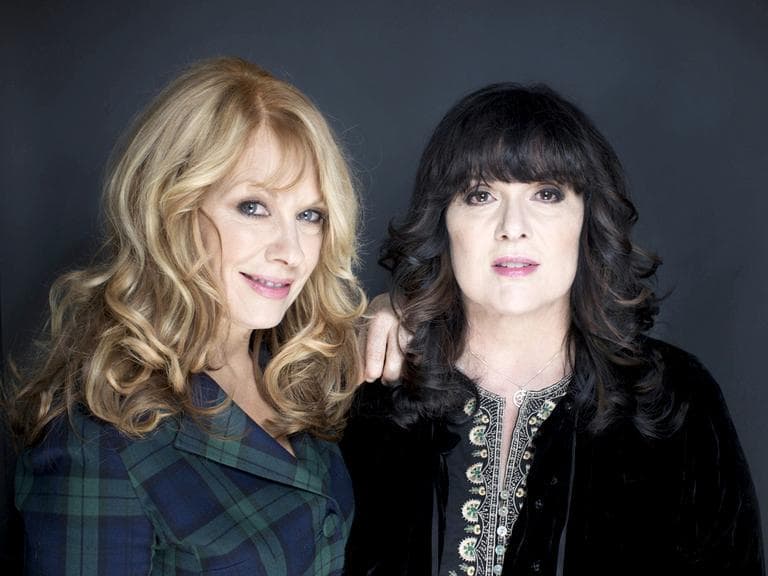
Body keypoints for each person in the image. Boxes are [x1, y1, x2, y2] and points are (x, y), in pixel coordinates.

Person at [342, 83, 764, 575]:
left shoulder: (674, 400)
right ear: (443, 223)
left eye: (547, 193)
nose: (512, 226)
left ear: (587, 220)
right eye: (480, 195)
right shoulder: (374, 395)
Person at [9, 57, 365, 575]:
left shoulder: (292, 372)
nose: (291, 251)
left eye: (310, 216)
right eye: (253, 207)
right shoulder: (96, 445)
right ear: (171, 208)